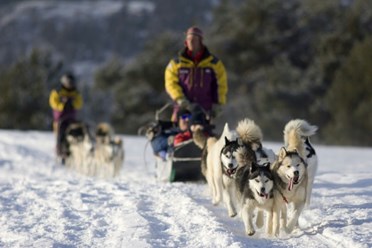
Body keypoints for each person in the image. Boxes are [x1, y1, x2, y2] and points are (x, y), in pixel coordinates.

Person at [165, 26, 228, 122]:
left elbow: (221, 84)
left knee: (202, 133)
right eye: (189, 39)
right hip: (184, 109)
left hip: (205, 111)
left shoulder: (214, 63)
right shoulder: (176, 63)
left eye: (194, 39)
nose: (191, 42)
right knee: (182, 132)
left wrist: (219, 104)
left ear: (201, 41)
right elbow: (170, 83)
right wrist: (179, 98)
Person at [49, 73, 83, 156]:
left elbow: (79, 103)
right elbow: (53, 102)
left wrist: (72, 104)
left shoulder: (76, 93)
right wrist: (62, 105)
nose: (70, 85)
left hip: (71, 118)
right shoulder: (57, 91)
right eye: (68, 83)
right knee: (61, 134)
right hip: (60, 118)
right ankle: (60, 150)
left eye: (71, 83)